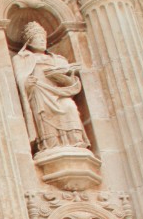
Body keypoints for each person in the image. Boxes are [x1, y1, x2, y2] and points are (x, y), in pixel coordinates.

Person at [12, 21, 89, 154]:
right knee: (43, 110)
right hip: (39, 91)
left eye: (44, 38)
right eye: (38, 38)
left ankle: (74, 140)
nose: (43, 41)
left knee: (69, 106)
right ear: (29, 41)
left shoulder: (58, 59)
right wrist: (27, 83)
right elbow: (20, 78)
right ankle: (51, 144)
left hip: (58, 92)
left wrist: (65, 77)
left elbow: (70, 82)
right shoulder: (22, 58)